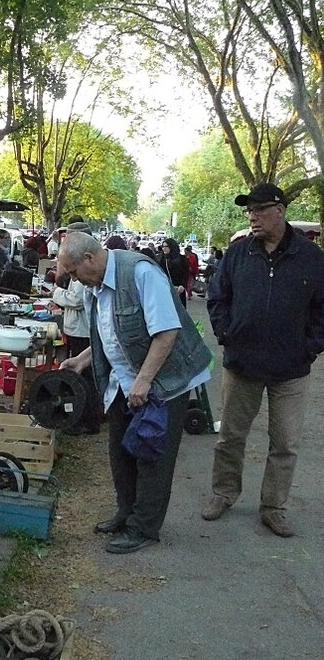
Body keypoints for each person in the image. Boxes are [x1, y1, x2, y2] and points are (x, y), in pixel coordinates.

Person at [58, 232, 211, 554]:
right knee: (121, 453)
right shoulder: (93, 286)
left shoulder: (140, 272)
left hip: (165, 382)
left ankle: (144, 528)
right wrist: (83, 360)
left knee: (153, 456)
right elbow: (108, 332)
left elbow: (167, 331)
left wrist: (144, 381)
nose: (72, 279)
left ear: (89, 259)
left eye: (73, 272)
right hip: (125, 381)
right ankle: (126, 514)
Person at [202, 183, 324, 537]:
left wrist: (310, 346)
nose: (252, 216)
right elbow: (217, 297)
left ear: (280, 211)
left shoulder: (312, 258)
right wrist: (226, 333)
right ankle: (223, 493)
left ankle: (273, 507)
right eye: (249, 211)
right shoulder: (238, 254)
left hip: (291, 370)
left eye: (259, 209)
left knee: (285, 443)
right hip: (242, 365)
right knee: (230, 437)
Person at [50, 221, 102, 436]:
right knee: (83, 375)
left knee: (85, 378)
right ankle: (85, 418)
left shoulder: (85, 270)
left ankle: (86, 420)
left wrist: (55, 294)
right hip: (77, 328)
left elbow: (76, 299)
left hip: (83, 330)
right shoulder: (79, 265)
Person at [159, 238, 189, 306]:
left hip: (179, 289)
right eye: (163, 246)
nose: (164, 248)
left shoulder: (182, 259)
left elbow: (186, 273)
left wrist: (183, 285)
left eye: (166, 246)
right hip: (166, 290)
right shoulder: (162, 260)